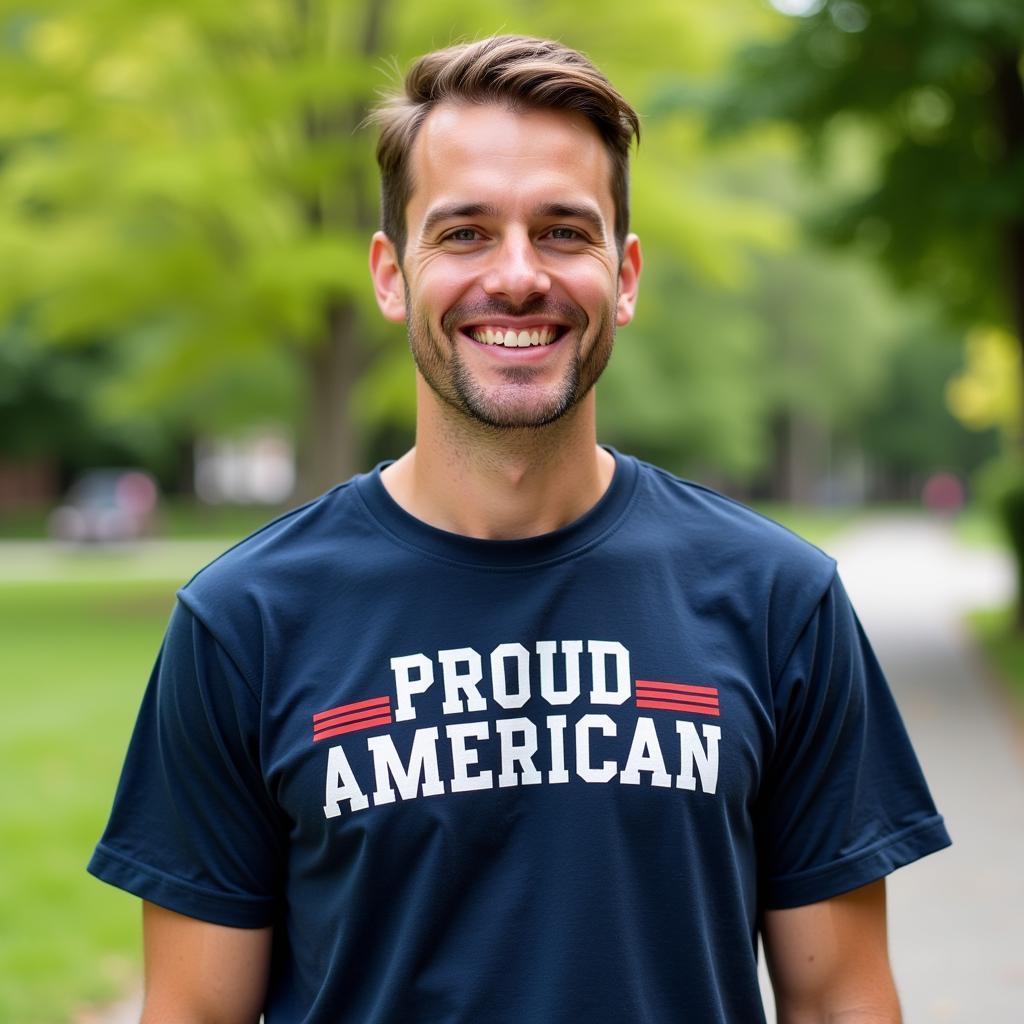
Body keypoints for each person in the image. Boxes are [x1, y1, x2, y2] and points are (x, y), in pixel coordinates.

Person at [89, 35, 951, 1023]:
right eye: (462, 233)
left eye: (561, 231)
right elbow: (194, 1012)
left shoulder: (776, 602)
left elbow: (839, 997)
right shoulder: (244, 621)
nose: (516, 277)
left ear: (622, 276)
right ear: (389, 273)